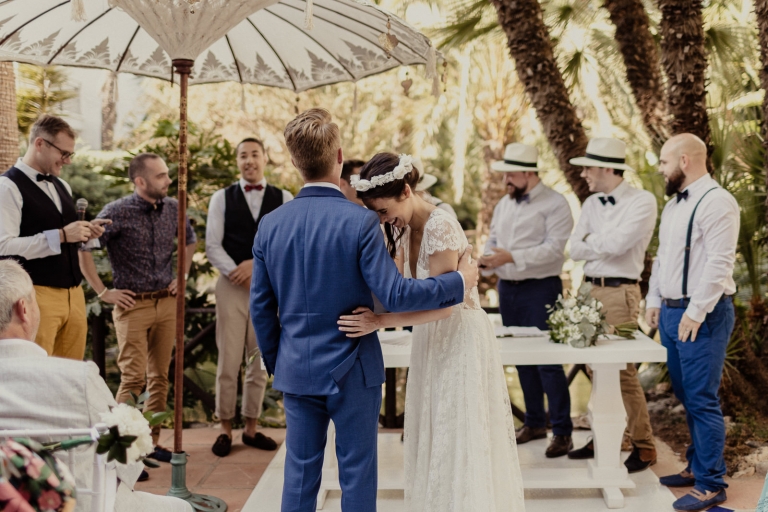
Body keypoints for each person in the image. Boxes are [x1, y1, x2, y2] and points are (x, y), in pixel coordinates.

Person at [250, 108, 478, 512]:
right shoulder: (360, 222)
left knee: (299, 473)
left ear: (294, 162)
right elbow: (395, 295)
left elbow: (261, 309)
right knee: (356, 474)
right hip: (354, 368)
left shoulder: (270, 224)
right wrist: (458, 282)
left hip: (296, 368)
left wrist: (279, 362)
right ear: (340, 157)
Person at [339, 153, 525, 511]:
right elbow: (398, 293)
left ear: (406, 191)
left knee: (458, 431)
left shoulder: (441, 228)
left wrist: (378, 322)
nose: (382, 219)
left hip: (458, 335)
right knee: (433, 428)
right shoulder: (401, 229)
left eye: (383, 211)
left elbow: (445, 305)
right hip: (428, 337)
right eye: (376, 214)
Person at [0, 260, 192, 512]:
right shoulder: (78, 377)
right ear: (23, 309)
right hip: (81, 505)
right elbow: (126, 457)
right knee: (182, 508)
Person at [79, 153, 196, 462]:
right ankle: (124, 451)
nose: (168, 180)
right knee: (132, 379)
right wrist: (103, 292)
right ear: (140, 181)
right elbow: (84, 246)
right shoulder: (116, 211)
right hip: (133, 306)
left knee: (160, 377)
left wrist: (182, 276)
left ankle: (149, 445)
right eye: (161, 176)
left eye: (167, 173)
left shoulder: (174, 208)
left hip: (167, 302)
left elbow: (190, 240)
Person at [645, 134, 739, 512]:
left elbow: (719, 263)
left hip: (703, 315)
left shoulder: (717, 201)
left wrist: (695, 311)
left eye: (664, 162)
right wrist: (654, 301)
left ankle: (711, 483)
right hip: (671, 313)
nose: (660, 169)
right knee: (686, 395)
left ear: (684, 161)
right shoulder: (673, 206)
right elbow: (662, 259)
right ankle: (697, 465)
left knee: (701, 398)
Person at [567, 138, 659, 473]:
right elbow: (574, 248)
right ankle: (607, 436)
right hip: (587, 289)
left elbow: (620, 245)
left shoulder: (642, 201)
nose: (584, 175)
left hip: (620, 293)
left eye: (588, 168)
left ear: (607, 168)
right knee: (593, 368)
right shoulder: (592, 203)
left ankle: (644, 445)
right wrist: (596, 243)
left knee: (621, 371)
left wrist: (591, 241)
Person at [478, 142, 575, 458]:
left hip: (541, 289)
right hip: (508, 289)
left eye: (510, 174)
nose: (505, 180)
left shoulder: (556, 204)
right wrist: (488, 259)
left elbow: (554, 250)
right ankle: (533, 423)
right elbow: (494, 239)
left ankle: (562, 431)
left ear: (528, 173)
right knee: (521, 358)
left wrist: (511, 256)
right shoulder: (504, 204)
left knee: (549, 361)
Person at [205, 137, 292, 456]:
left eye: (255, 154)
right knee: (228, 360)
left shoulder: (284, 198)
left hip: (268, 286)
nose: (249, 160)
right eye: (243, 155)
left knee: (260, 358)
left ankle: (251, 428)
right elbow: (212, 245)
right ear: (238, 161)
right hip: (231, 287)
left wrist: (256, 266)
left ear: (265, 159)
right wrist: (236, 272)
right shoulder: (221, 198)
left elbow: (287, 243)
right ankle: (225, 428)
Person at [0, 114, 105, 360]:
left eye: (70, 154)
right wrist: (61, 235)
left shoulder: (62, 186)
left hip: (74, 295)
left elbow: (65, 237)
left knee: (70, 371)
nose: (68, 161)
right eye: (64, 153)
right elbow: (4, 246)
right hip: (35, 295)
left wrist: (86, 233)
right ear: (40, 144)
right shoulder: (7, 187)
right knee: (35, 371)